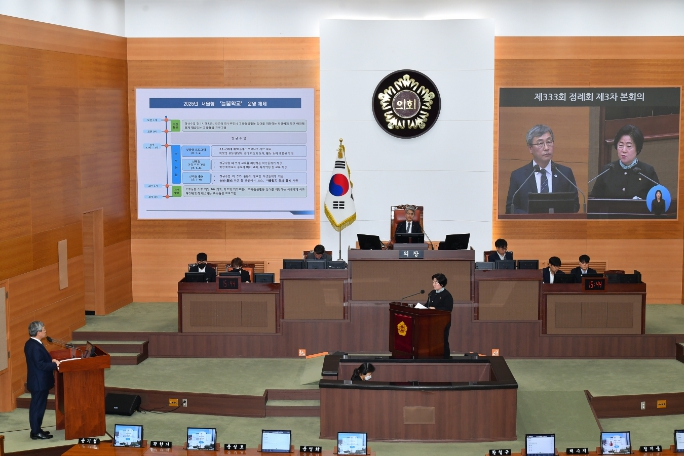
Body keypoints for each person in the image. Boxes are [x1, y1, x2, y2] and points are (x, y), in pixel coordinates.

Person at [505, 125, 580, 214]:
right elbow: (511, 208)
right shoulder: (518, 176)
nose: (546, 148)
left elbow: (575, 205)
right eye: (540, 143)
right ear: (530, 148)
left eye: (549, 142)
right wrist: (532, 217)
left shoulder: (565, 173)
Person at [589, 124, 660, 200]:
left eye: (629, 146)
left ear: (638, 149)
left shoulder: (647, 172)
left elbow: (658, 201)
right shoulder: (607, 170)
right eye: (620, 145)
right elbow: (594, 200)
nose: (624, 150)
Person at [24, 321, 60, 440]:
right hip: (39, 382)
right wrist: (54, 365)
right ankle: (36, 432)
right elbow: (40, 365)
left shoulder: (31, 343)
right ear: (38, 332)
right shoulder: (34, 346)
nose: (45, 331)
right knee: (37, 407)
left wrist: (51, 361)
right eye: (44, 329)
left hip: (38, 381)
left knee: (38, 406)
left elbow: (39, 361)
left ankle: (37, 429)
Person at [425, 273, 454, 358]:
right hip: (431, 321)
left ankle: (445, 358)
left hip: (442, 322)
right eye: (433, 282)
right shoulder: (432, 293)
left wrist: (435, 308)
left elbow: (448, 309)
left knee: (442, 340)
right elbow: (427, 305)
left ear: (441, 283)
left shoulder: (447, 295)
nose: (433, 284)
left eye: (435, 282)